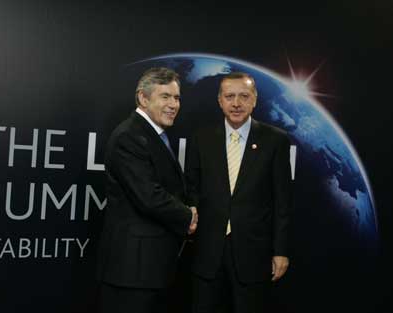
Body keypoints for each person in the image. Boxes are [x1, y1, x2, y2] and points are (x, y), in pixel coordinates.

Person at [185, 72, 292, 313]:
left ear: (254, 100)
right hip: (207, 252)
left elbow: (282, 201)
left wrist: (281, 251)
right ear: (219, 100)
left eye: (244, 96)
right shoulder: (200, 138)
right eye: (229, 96)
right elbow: (191, 188)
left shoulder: (276, 140)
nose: (236, 103)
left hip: (254, 254)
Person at [96, 67, 198, 313]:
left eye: (177, 98)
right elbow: (148, 196)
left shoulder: (153, 135)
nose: (174, 104)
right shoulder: (129, 136)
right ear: (143, 98)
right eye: (165, 96)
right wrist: (188, 216)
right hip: (132, 270)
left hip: (150, 268)